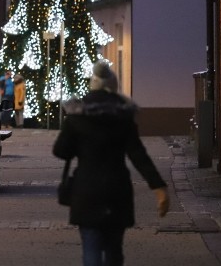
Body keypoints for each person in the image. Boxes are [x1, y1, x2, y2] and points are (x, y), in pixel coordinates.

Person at [53, 60, 169, 266]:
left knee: (91, 248)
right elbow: (138, 155)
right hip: (117, 190)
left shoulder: (76, 116)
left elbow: (61, 151)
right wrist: (158, 186)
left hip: (86, 190)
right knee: (114, 250)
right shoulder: (123, 117)